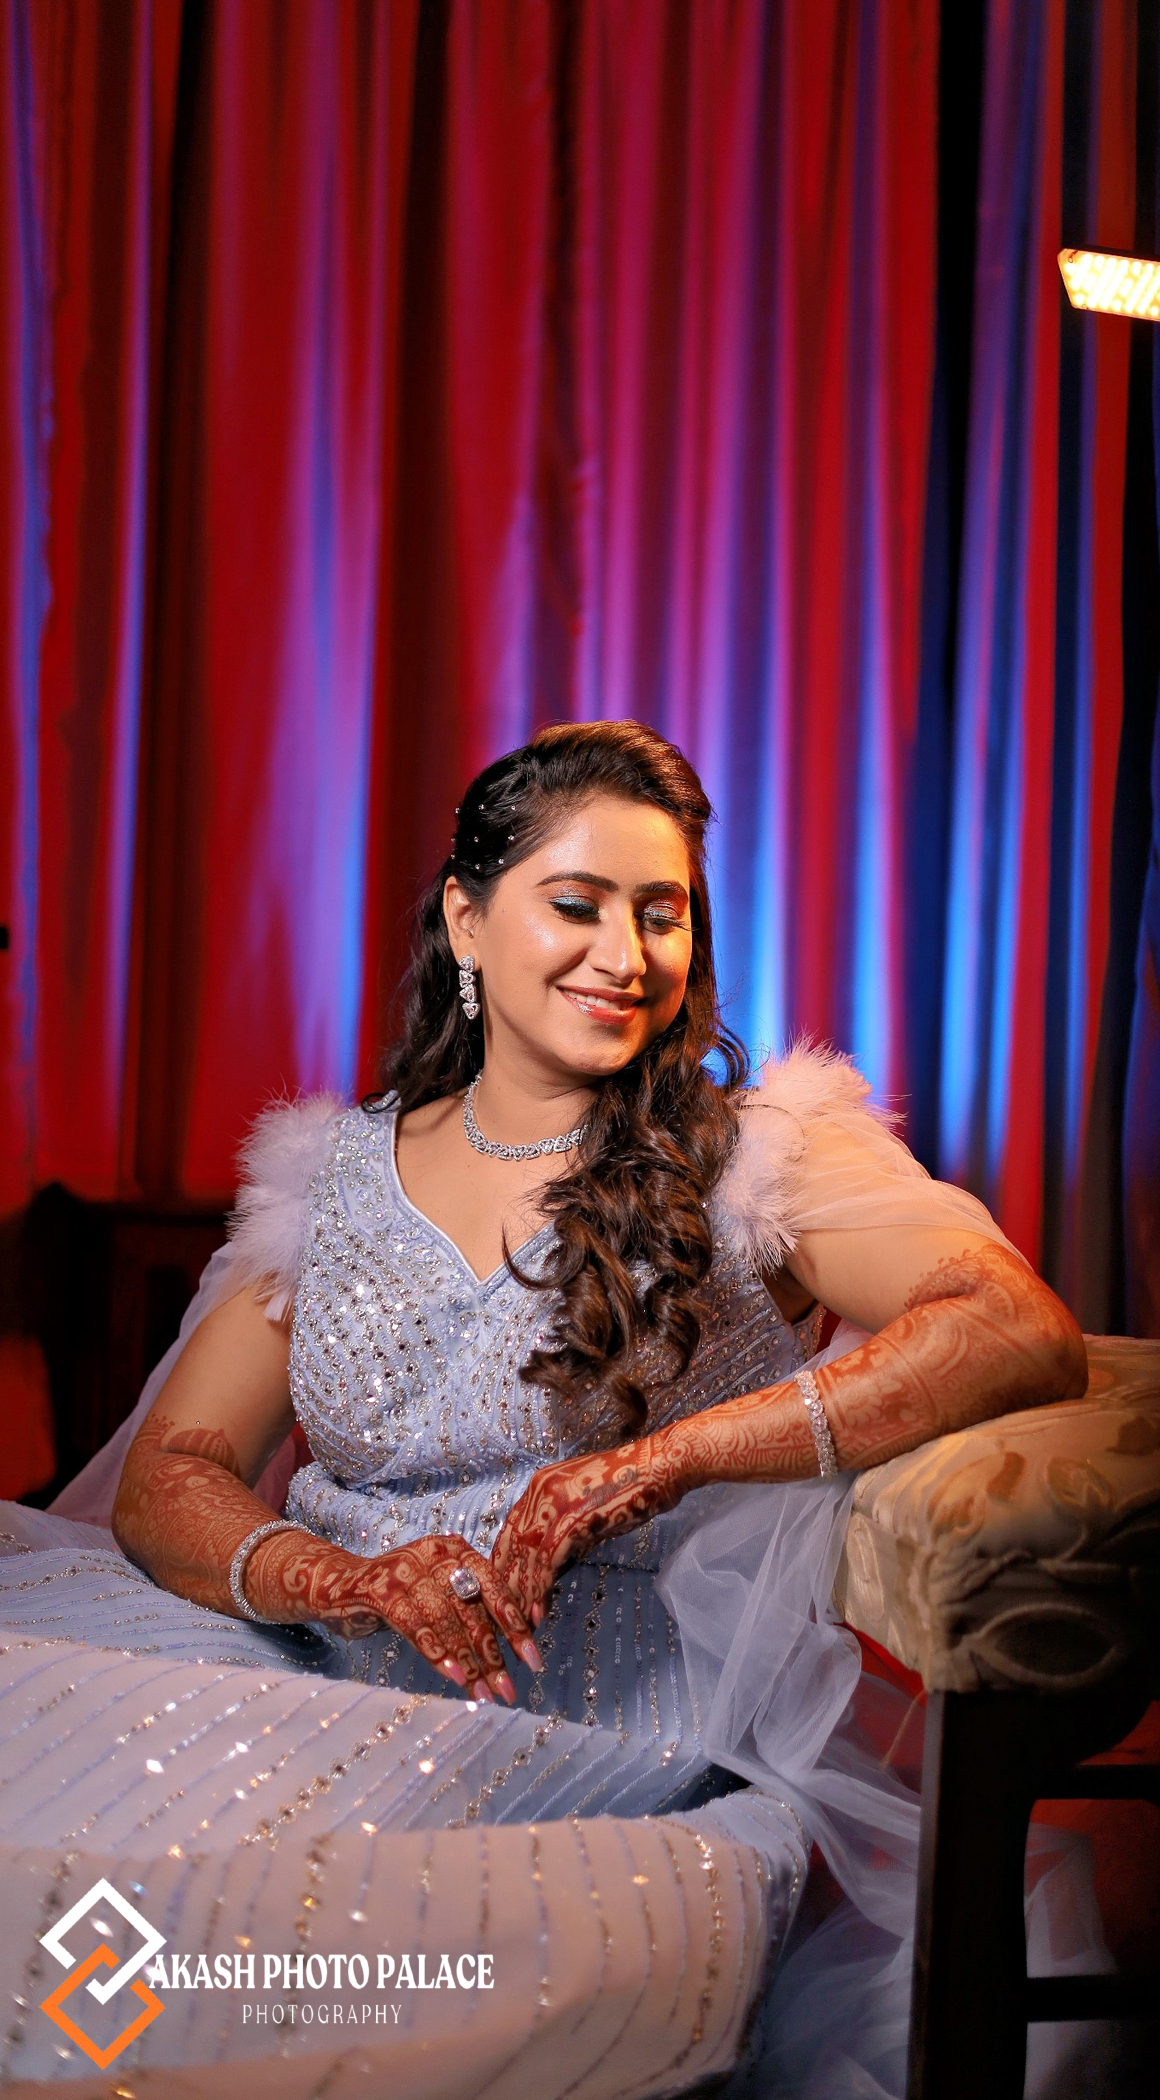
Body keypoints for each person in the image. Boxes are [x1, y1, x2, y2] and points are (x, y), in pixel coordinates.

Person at [0, 721, 1088, 2095]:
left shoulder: (756, 1154)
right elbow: (175, 1467)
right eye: (577, 905)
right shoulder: (334, 1177)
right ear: (467, 920)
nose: (624, 955)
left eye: (661, 914)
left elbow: (1010, 1322)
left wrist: (661, 1461)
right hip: (295, 1671)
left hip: (612, 1747)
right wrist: (337, 1578)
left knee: (313, 1971)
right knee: (73, 1870)